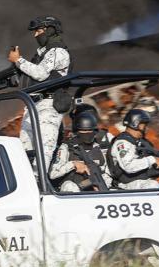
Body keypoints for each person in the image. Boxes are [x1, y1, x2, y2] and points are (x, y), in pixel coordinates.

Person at [9, 15, 72, 170]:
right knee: (25, 152)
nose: (35, 35)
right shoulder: (41, 55)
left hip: (48, 106)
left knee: (43, 153)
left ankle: (40, 184)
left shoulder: (58, 52)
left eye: (38, 30)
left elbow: (40, 74)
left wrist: (19, 60)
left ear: (50, 30)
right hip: (33, 105)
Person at [50, 111, 112, 192]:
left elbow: (108, 173)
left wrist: (96, 183)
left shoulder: (101, 147)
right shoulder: (67, 147)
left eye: (90, 130)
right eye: (83, 131)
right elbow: (53, 174)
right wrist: (73, 164)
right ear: (77, 131)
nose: (87, 133)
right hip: (73, 189)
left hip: (94, 187)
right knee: (69, 186)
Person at [108, 109, 159, 190]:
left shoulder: (140, 142)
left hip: (145, 182)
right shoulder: (122, 143)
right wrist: (152, 160)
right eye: (144, 124)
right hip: (129, 185)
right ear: (135, 123)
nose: (146, 128)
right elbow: (128, 166)